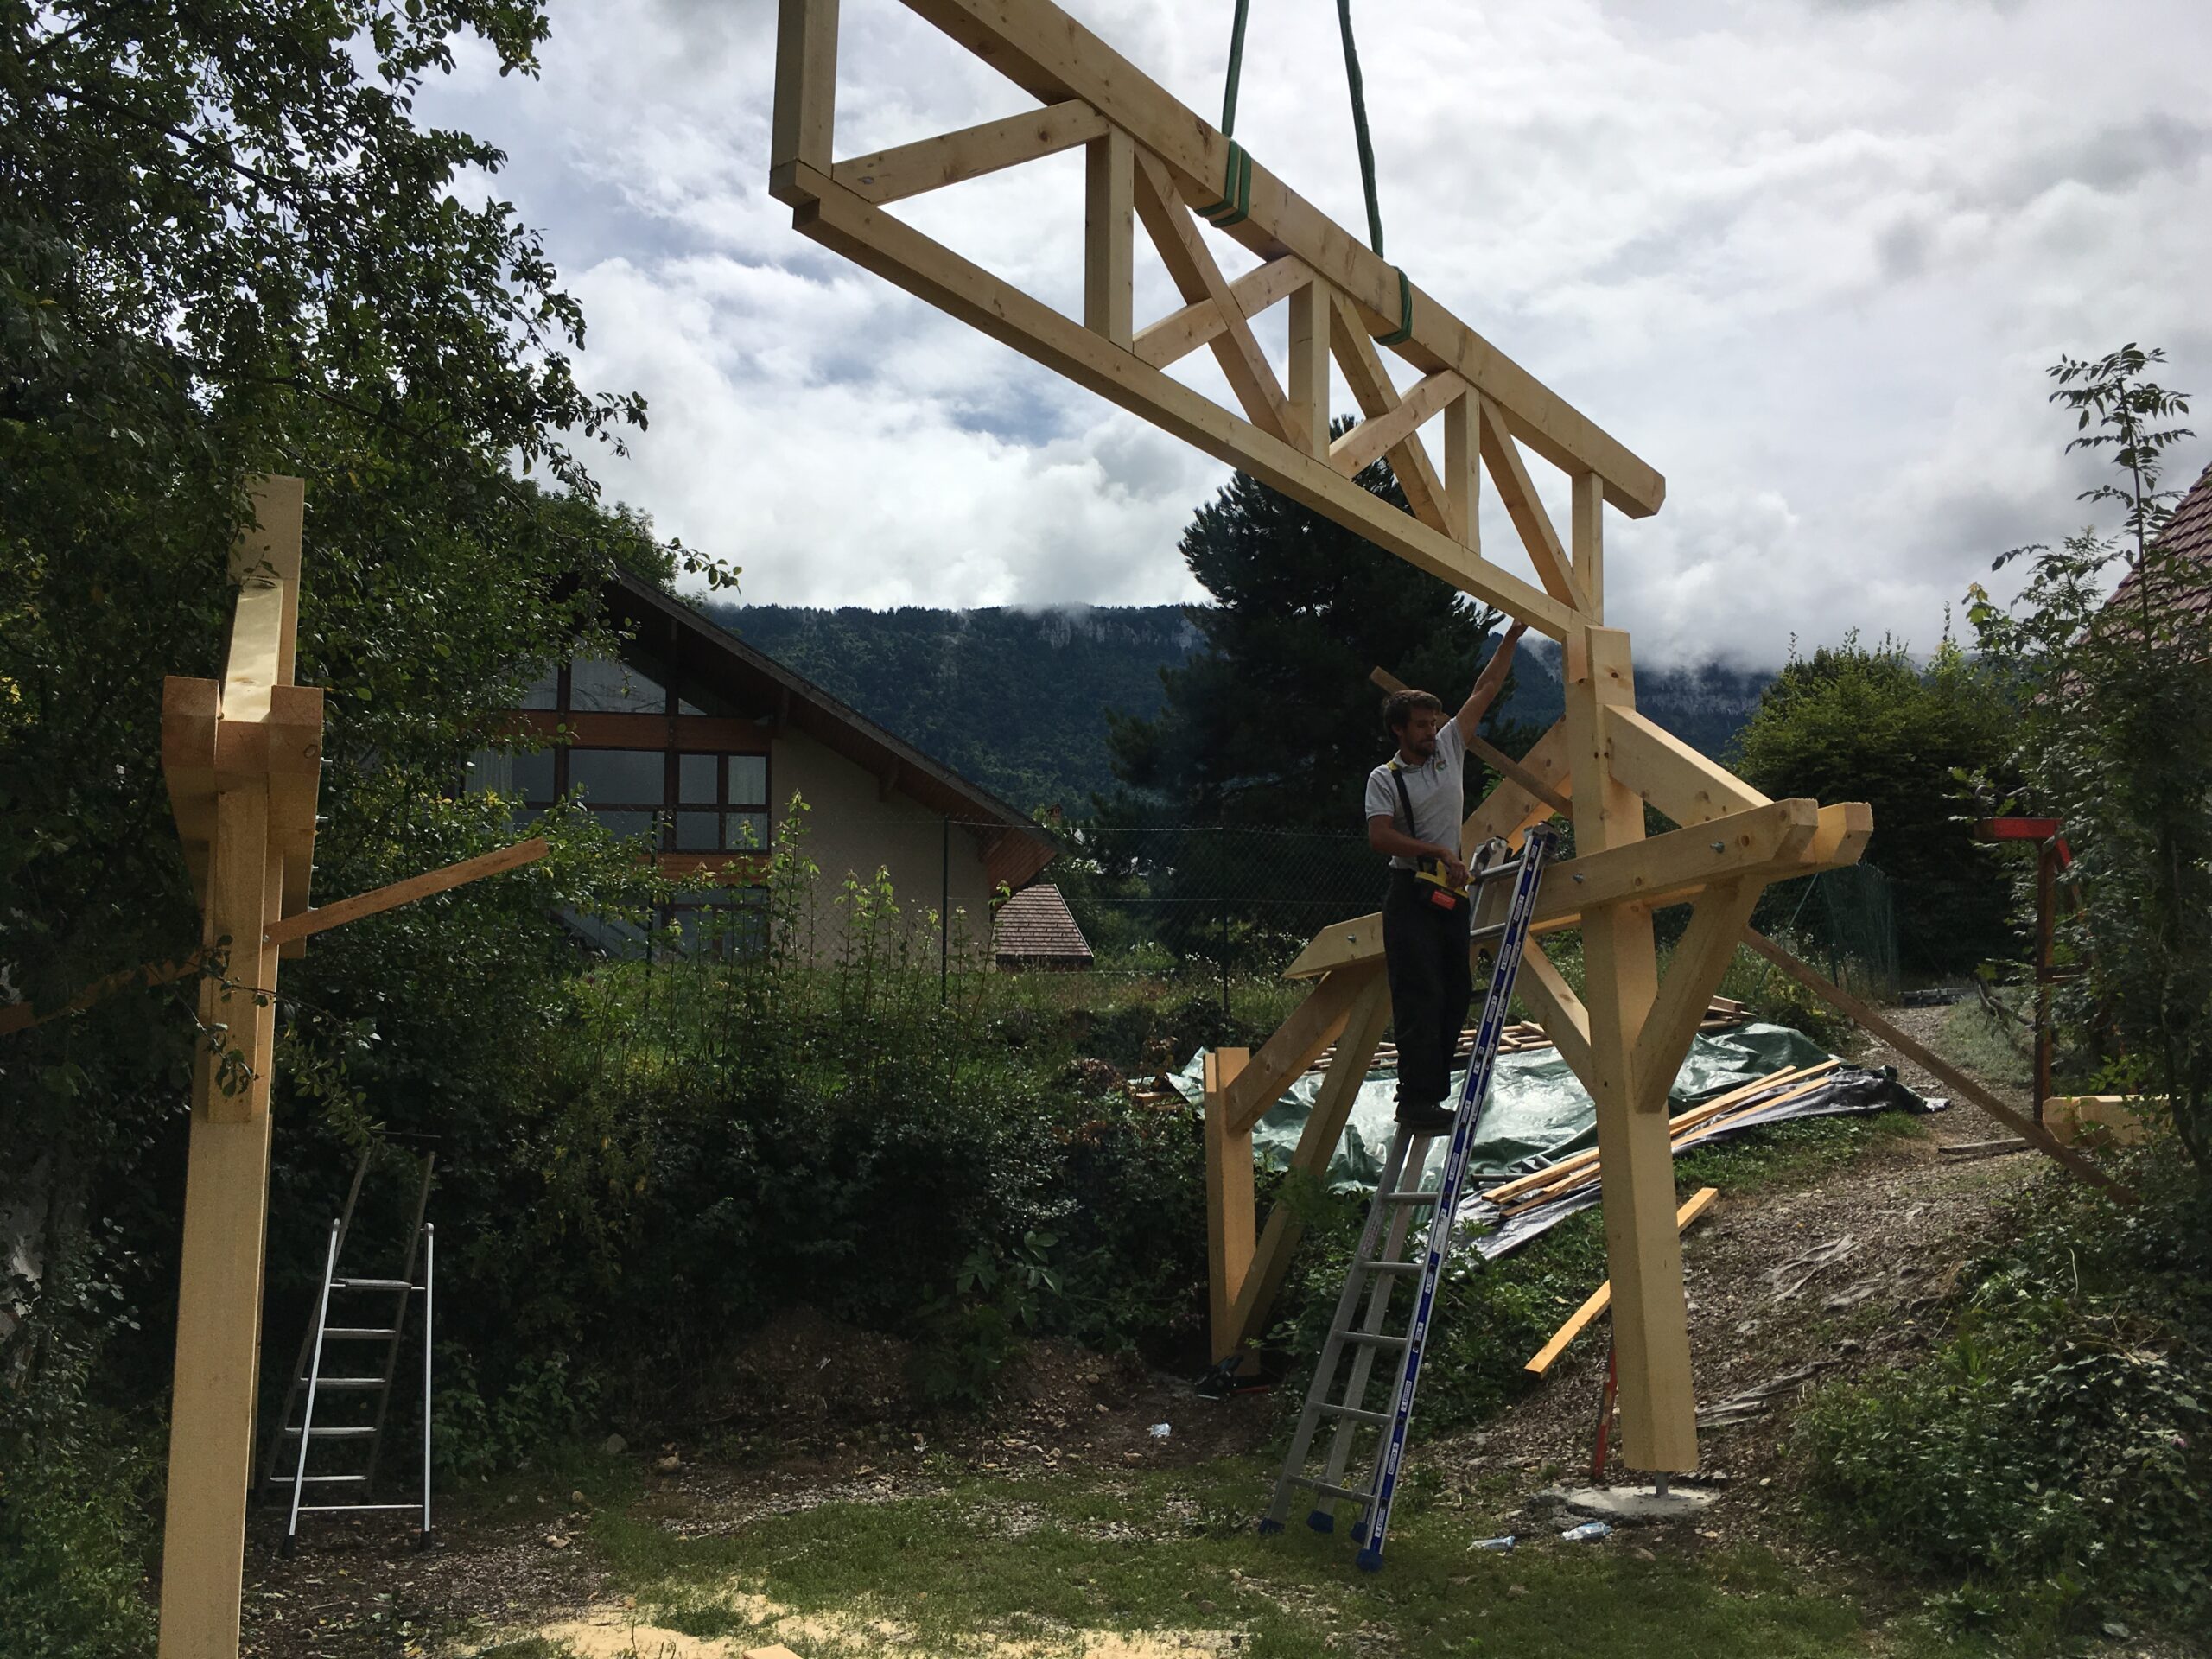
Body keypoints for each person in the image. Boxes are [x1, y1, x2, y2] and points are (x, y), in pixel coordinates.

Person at [1363, 621, 1529, 1134]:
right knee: (1420, 994)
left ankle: (1432, 1089)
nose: (1431, 732)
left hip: (1449, 894)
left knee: (1456, 991)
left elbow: (1486, 689)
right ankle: (1416, 1102)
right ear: (1399, 730)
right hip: (1411, 893)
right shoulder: (1385, 779)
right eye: (1421, 725)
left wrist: (1511, 638)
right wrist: (1434, 849)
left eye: (1434, 722)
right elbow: (1380, 837)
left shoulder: (1451, 746)